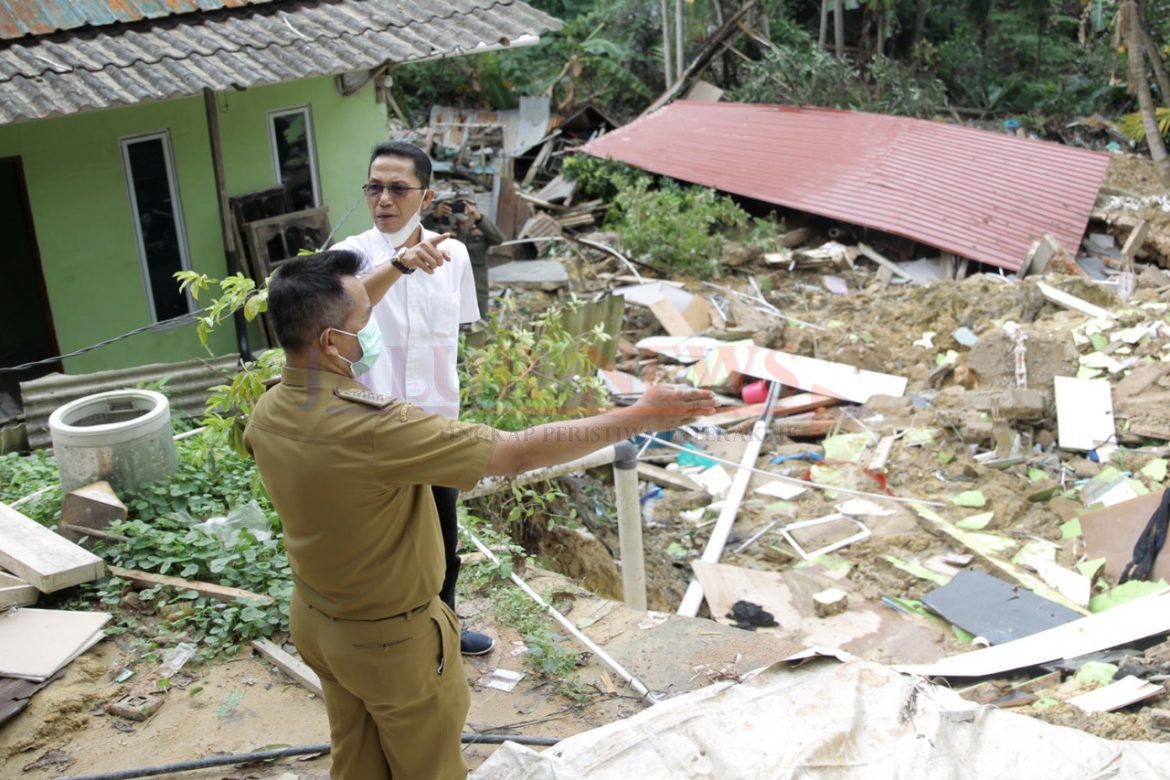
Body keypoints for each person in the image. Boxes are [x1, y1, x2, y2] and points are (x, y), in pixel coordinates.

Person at [244, 249, 716, 779]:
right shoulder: (375, 428)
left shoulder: (270, 410)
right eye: (365, 322)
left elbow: (332, 326)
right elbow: (515, 453)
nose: (370, 327)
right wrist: (637, 416)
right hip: (389, 643)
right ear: (332, 342)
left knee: (356, 758)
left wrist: (393, 272)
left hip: (316, 621)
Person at [332, 142, 494, 654]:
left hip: (437, 423)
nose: (383, 199)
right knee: (379, 544)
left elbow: (454, 333)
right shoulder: (350, 257)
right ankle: (384, 639)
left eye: (397, 188)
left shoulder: (457, 255)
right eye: (374, 187)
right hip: (374, 427)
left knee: (444, 545)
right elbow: (341, 316)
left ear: (425, 194)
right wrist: (399, 264)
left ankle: (442, 630)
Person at [424, 191, 502, 318]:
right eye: (459, 204)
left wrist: (479, 218)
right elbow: (420, 237)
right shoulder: (444, 227)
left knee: (478, 327)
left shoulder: (482, 228)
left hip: (477, 290)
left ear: (475, 207)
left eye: (468, 204)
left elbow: (499, 239)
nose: (463, 207)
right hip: (448, 289)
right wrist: (434, 216)